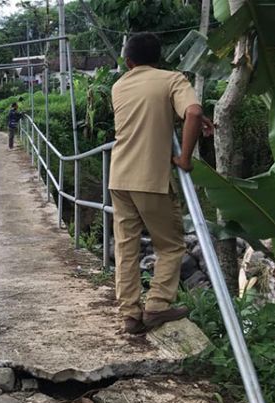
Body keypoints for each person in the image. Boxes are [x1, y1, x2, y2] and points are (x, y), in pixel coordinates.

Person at [109, 33, 214, 334]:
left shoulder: (118, 86)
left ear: (128, 61)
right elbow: (191, 112)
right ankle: (156, 306)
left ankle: (130, 314)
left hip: (119, 177)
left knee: (127, 246)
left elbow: (145, 112)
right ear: (159, 58)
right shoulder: (172, 79)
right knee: (170, 246)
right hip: (151, 178)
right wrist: (184, 158)